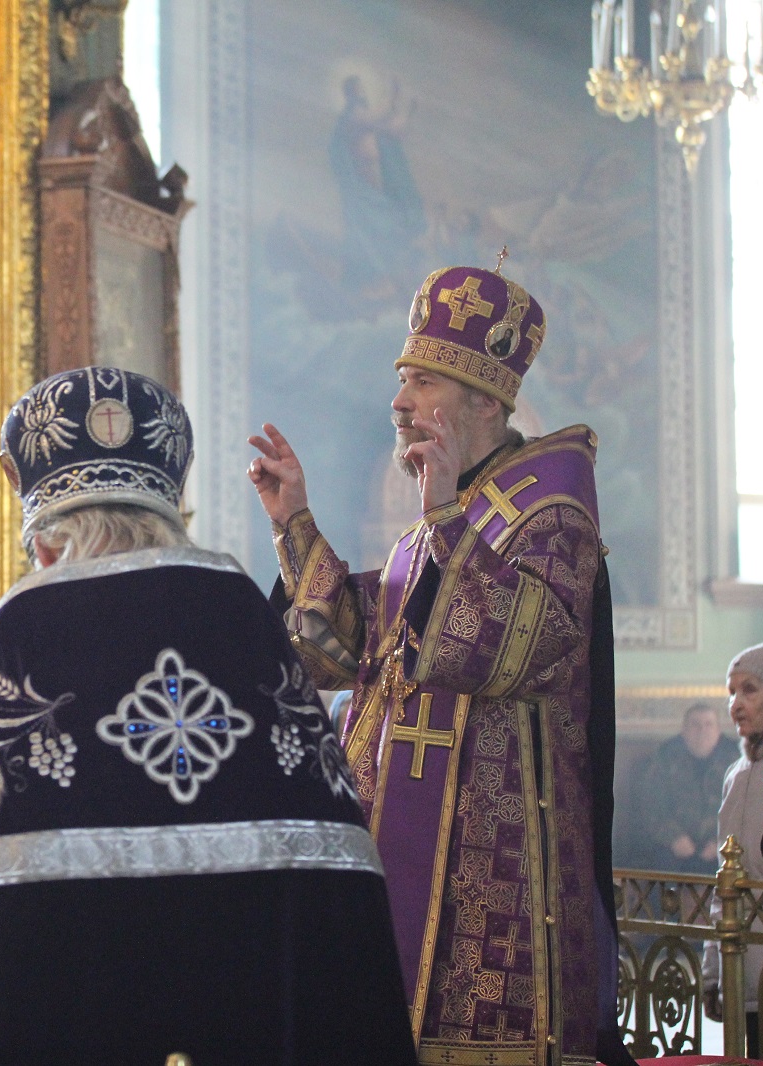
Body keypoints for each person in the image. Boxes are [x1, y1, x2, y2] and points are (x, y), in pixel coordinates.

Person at [0, 367, 417, 1065]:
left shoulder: (5, 666)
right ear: (169, 519)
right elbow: (340, 909)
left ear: (46, 546)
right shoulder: (249, 642)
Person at [249, 264, 630, 1065]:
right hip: (397, 825)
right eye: (403, 378)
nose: (399, 400)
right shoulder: (442, 514)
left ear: (485, 402)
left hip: (493, 854)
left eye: (423, 382)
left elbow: (511, 649)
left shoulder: (552, 510)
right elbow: (354, 648)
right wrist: (295, 523)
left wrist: (448, 517)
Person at [710, 643, 763, 1055]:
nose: (736, 704)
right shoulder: (737, 774)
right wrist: (713, 972)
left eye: (750, 690)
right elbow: (724, 882)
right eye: (732, 692)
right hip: (744, 970)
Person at [631, 703, 733, 873]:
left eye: (708, 725)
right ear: (684, 730)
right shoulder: (663, 758)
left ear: (718, 731)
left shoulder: (735, 761)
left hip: (722, 846)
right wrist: (674, 837)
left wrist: (720, 841)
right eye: (695, 725)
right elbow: (651, 807)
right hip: (673, 847)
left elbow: (741, 811)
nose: (702, 731)